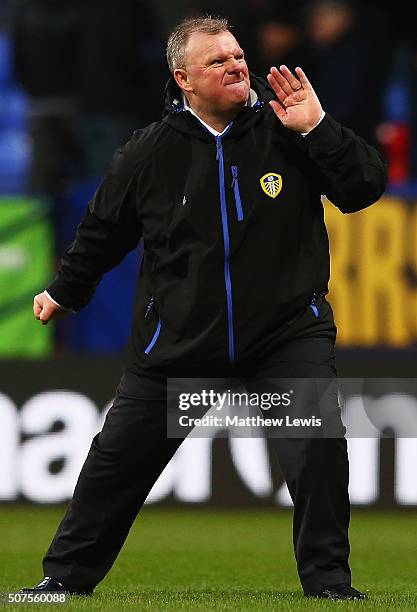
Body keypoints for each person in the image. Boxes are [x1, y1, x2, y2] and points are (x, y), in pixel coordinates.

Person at [23, 16, 386, 601]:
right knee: (114, 469)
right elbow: (101, 232)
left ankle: (330, 588)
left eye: (238, 55)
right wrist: (66, 290)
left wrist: (317, 127)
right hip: (181, 347)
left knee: (318, 451)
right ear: (183, 79)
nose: (236, 65)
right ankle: (61, 580)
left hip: (284, 337)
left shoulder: (287, 130)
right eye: (217, 61)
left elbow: (365, 187)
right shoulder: (147, 152)